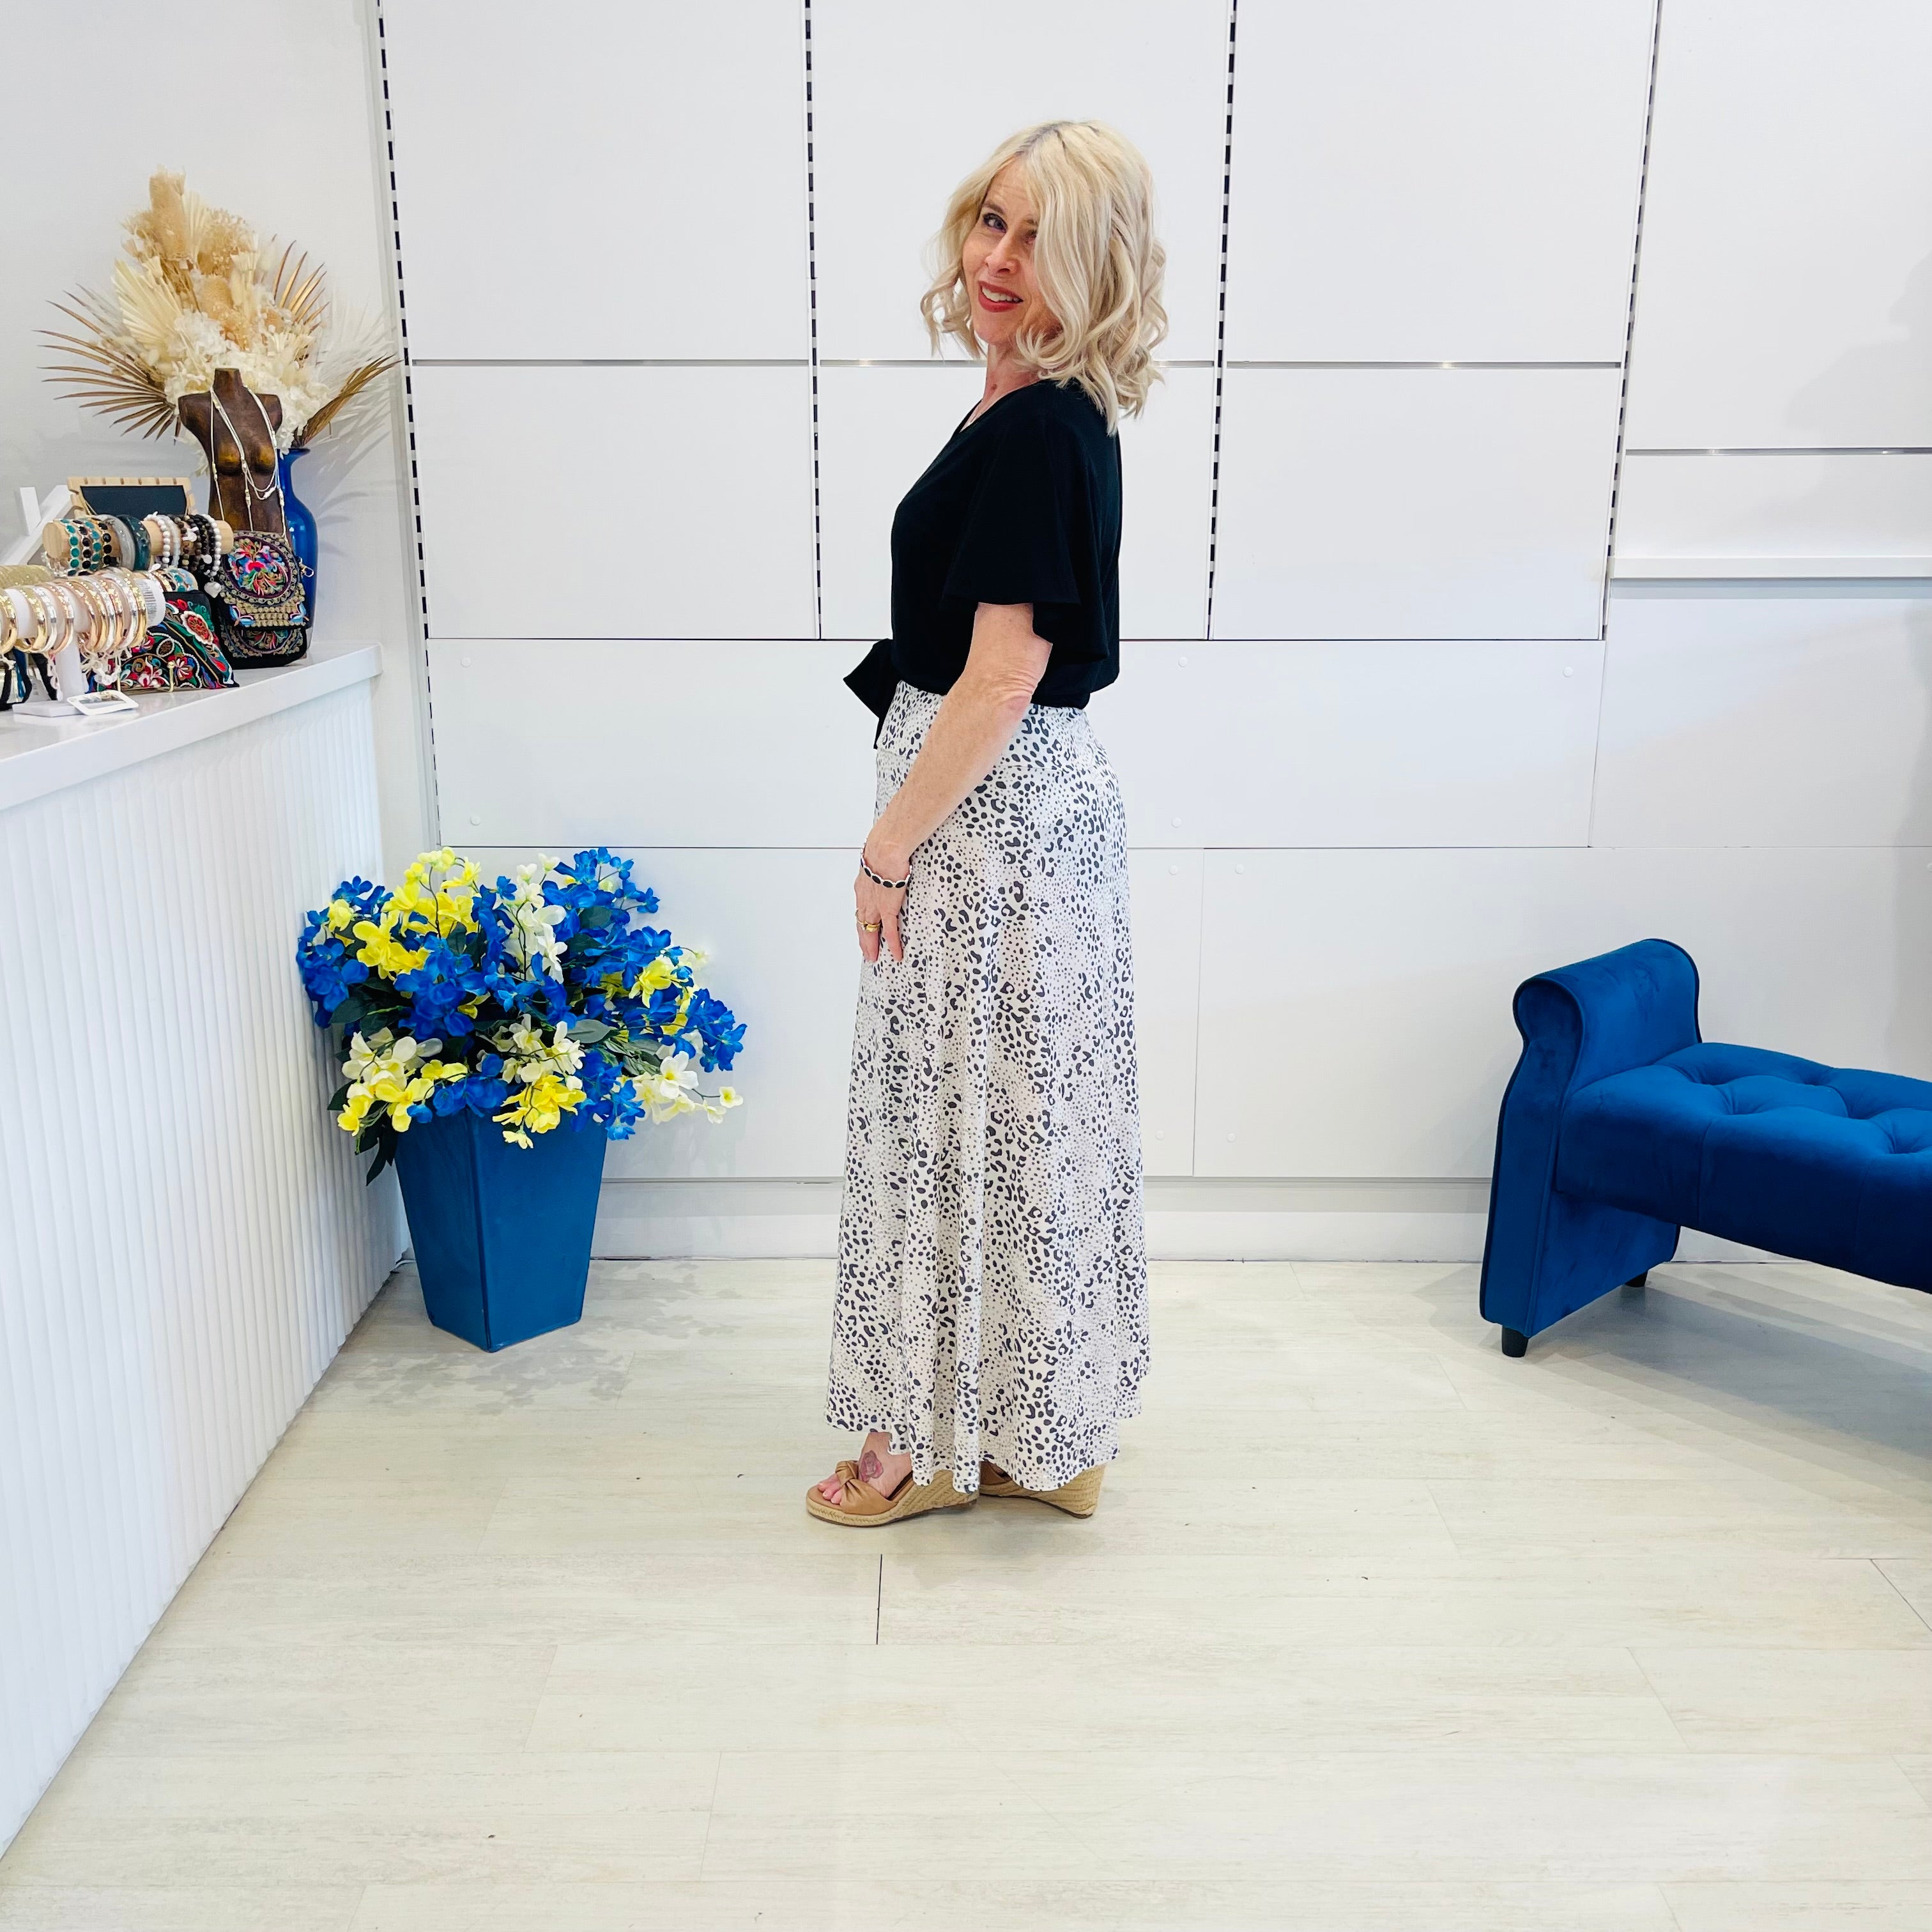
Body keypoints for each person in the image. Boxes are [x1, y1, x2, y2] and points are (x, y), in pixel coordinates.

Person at [809, 120, 1165, 1527]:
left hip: (983, 817)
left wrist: (889, 842)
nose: (999, 260)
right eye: (992, 224)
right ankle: (1044, 1431)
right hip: (1033, 813)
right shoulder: (1047, 411)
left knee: (942, 1122)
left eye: (1039, 237)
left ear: (1097, 266)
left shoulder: (1033, 430)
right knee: (1029, 1128)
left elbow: (1003, 670)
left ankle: (916, 1444)